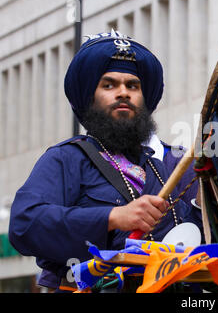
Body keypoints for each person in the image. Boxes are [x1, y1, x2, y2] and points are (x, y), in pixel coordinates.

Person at [8, 30, 201, 292]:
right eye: (109, 85)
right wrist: (113, 217)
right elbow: (25, 224)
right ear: (91, 97)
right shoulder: (66, 159)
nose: (123, 93)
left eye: (133, 85)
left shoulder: (180, 164)